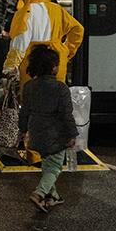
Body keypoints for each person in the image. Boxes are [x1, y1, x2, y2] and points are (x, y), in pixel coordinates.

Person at [19, 45, 77, 212]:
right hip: (55, 135)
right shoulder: (60, 88)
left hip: (36, 133)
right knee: (55, 167)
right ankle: (39, 194)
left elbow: (25, 111)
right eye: (57, 64)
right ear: (53, 67)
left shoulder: (29, 86)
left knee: (47, 164)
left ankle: (53, 197)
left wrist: (22, 130)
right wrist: (72, 134)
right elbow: (67, 114)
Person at [3, 0, 84, 92]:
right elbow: (78, 29)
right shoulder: (57, 9)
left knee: (32, 98)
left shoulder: (24, 12)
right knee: (55, 95)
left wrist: (10, 67)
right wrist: (67, 50)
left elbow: (20, 42)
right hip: (56, 58)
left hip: (32, 61)